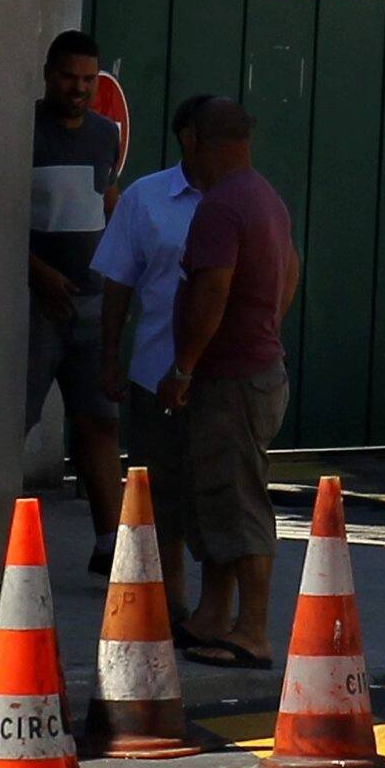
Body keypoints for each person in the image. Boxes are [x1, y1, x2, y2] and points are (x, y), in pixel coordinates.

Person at [157, 98, 295, 672]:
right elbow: (291, 269)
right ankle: (212, 617)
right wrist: (266, 327)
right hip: (249, 371)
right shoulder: (263, 196)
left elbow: (212, 290)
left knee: (238, 501)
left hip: (231, 380)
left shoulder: (221, 205)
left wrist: (183, 367)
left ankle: (252, 631)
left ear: (193, 140)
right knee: (213, 497)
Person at [92, 94, 212, 594]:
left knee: (216, 498)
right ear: (190, 139)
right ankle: (169, 602)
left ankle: (217, 610)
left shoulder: (246, 199)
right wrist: (110, 359)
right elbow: (118, 282)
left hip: (222, 379)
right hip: (154, 374)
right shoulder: (145, 197)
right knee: (158, 497)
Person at [25, 30, 125, 521]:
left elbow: (107, 201)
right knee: (10, 422)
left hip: (92, 303)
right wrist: (38, 272)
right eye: (68, 77)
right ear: (48, 74)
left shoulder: (106, 134)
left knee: (100, 422)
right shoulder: (22, 130)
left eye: (88, 79)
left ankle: (112, 546)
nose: (79, 88)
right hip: (32, 306)